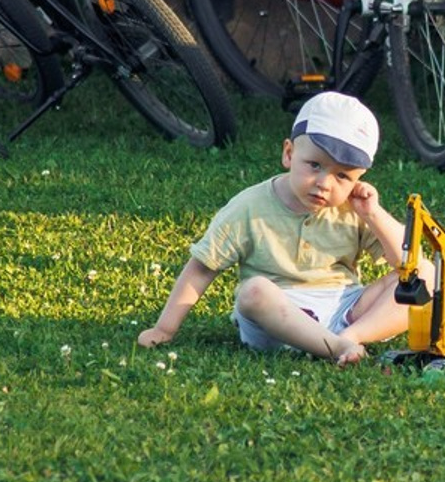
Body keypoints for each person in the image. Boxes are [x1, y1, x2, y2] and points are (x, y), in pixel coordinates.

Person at [137, 92, 424, 366]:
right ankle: (336, 347)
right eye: (314, 165)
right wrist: (164, 328)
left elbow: (407, 263)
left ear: (359, 179)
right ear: (289, 153)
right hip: (278, 317)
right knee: (253, 292)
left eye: (342, 175)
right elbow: (201, 268)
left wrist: (373, 214)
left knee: (427, 276)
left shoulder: (354, 208)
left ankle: (350, 339)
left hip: (343, 309)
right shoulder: (249, 207)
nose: (325, 183)